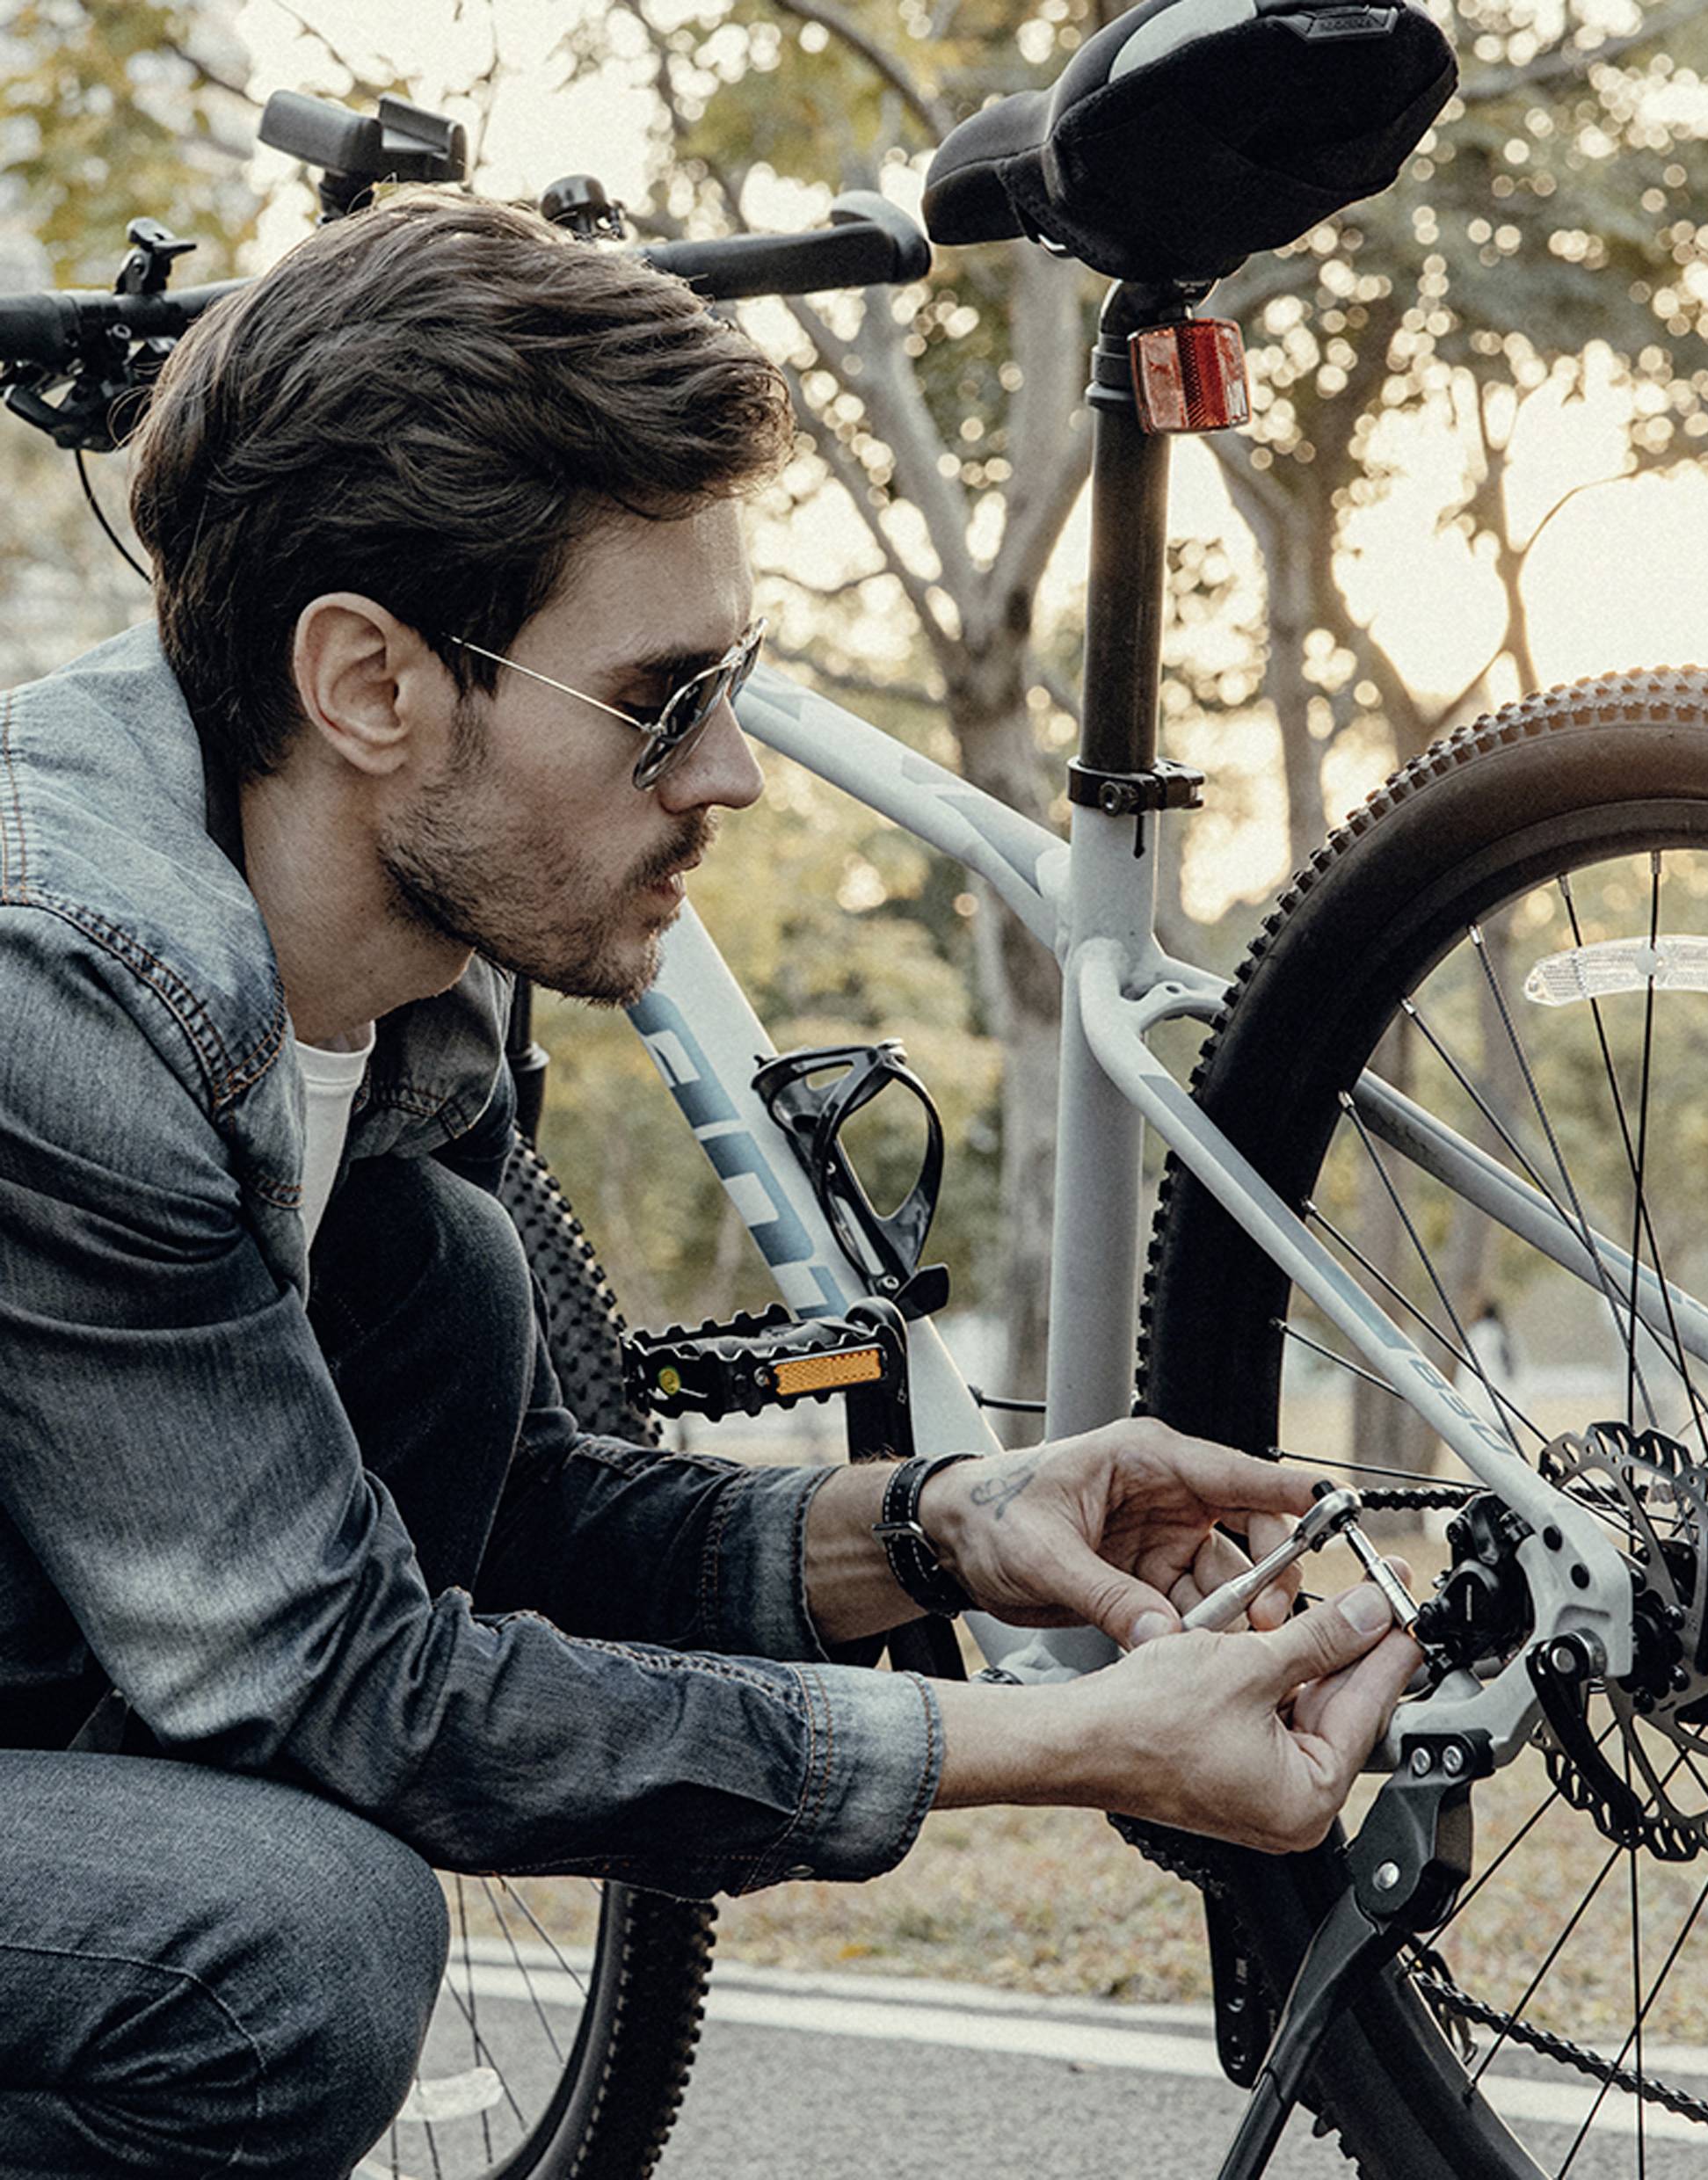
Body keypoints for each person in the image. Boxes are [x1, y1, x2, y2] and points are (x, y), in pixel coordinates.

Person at [0, 189, 1419, 2173]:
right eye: (666, 700)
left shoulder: (417, 951)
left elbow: (496, 1533)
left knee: (440, 1276)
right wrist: (1054, 1740)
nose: (733, 773)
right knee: (287, 1946)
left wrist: (945, 1524)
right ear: (371, 684)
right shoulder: (60, 983)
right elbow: (340, 1685)